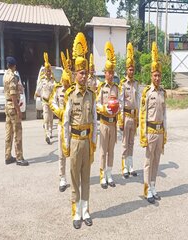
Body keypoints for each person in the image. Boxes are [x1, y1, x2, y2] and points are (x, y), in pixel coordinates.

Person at [62, 32, 97, 229]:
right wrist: (66, 145)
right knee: (74, 178)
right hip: (75, 141)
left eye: (86, 73)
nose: (84, 76)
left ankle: (86, 210)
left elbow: (95, 120)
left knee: (86, 178)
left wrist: (94, 142)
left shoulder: (92, 95)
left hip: (87, 142)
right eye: (81, 73)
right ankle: (76, 212)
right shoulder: (70, 94)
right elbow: (66, 122)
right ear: (75, 74)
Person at [140, 42, 167, 204]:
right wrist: (142, 135)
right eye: (154, 75)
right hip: (150, 131)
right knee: (148, 162)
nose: (157, 78)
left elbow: (165, 115)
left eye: (159, 75)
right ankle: (146, 189)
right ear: (151, 76)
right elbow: (142, 115)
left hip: (159, 131)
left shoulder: (163, 92)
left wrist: (165, 133)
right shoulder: (146, 92)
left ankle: (154, 186)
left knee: (157, 161)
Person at [96, 41, 119, 189]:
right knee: (103, 151)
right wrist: (104, 108)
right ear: (104, 73)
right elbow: (96, 105)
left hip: (113, 123)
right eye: (107, 72)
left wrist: (118, 109)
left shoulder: (117, 88)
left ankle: (109, 175)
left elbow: (121, 104)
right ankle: (102, 175)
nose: (109, 75)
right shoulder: (101, 88)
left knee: (111, 151)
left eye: (112, 73)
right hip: (104, 123)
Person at [49, 51, 72, 192]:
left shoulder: (74, 90)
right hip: (61, 125)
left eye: (68, 82)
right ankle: (62, 178)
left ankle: (75, 176)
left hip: (73, 126)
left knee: (74, 153)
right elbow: (52, 103)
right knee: (62, 154)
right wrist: (60, 112)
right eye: (65, 82)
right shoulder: (57, 90)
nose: (66, 84)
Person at [118, 42, 140, 179]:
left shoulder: (136, 83)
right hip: (125, 116)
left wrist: (138, 118)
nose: (131, 71)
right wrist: (120, 119)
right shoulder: (123, 84)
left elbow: (137, 102)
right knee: (125, 142)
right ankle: (124, 167)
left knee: (132, 142)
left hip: (133, 116)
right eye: (129, 69)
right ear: (126, 70)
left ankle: (131, 166)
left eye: (133, 69)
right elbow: (120, 103)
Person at [3, 56, 28, 166]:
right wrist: (18, 110)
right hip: (13, 106)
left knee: (9, 132)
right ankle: (19, 158)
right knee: (17, 132)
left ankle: (7, 156)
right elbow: (13, 96)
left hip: (7, 106)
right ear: (14, 66)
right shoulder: (12, 77)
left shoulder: (5, 75)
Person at [35, 52, 55, 144]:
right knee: (46, 117)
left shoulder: (53, 81)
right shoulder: (42, 81)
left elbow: (56, 91)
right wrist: (39, 95)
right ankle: (47, 134)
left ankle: (50, 131)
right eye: (46, 71)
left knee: (51, 118)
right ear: (44, 72)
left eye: (49, 71)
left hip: (51, 102)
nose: (48, 72)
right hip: (45, 102)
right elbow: (37, 92)